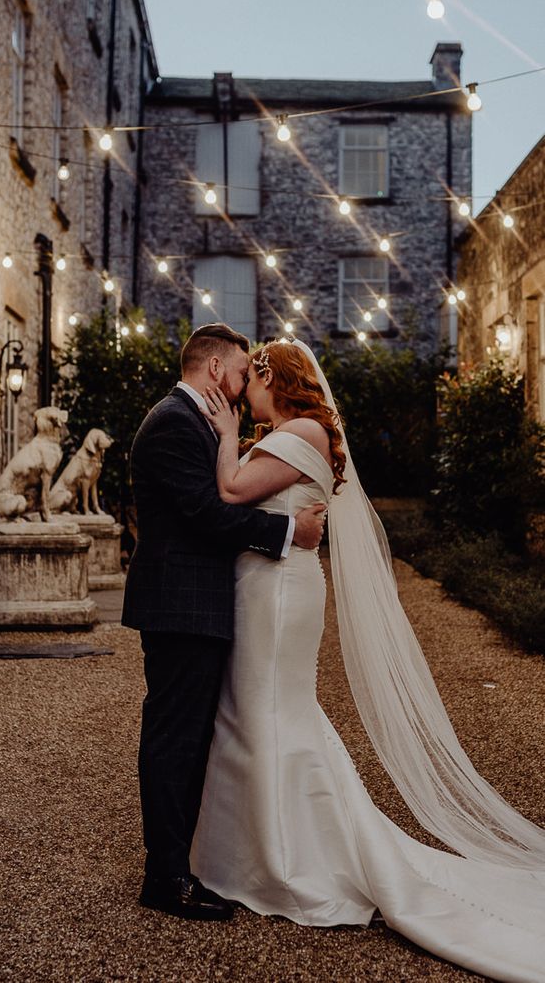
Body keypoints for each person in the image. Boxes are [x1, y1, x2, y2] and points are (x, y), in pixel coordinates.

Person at [191, 337, 545, 982]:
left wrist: (224, 431)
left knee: (268, 712)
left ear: (278, 381)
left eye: (251, 380)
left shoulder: (297, 430)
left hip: (276, 595)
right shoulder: (301, 432)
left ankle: (289, 857)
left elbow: (232, 490)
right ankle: (265, 845)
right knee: (265, 714)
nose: (243, 392)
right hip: (273, 587)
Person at [121, 323, 326, 921]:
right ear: (215, 370)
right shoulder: (172, 425)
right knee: (174, 739)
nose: (243, 386)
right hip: (180, 607)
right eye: (240, 372)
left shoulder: (195, 422)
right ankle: (166, 879)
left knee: (192, 739)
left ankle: (184, 864)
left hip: (197, 604)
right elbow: (208, 514)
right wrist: (291, 531)